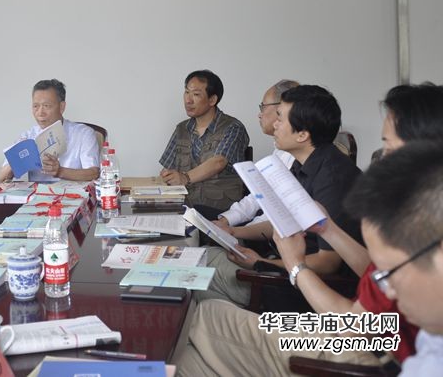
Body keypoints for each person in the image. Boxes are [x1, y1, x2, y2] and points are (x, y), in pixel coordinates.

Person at [177, 84, 443, 375]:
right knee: (197, 336)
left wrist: (292, 266)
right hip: (349, 325)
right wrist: (329, 230)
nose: (382, 161)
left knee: (200, 321)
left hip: (354, 341)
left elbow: (359, 325)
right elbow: (373, 272)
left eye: (389, 148)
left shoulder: (408, 219)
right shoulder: (408, 219)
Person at [194, 85, 361, 307]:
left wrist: (260, 263)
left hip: (301, 289)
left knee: (196, 274)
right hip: (282, 266)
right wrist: (233, 231)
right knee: (203, 258)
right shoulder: (304, 166)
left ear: (302, 134)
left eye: (280, 118)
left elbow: (328, 263)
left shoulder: (332, 179)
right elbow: (283, 222)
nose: (275, 124)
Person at [346, 142, 443, 374]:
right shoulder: (432, 334)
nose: (389, 293)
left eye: (389, 274)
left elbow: (351, 330)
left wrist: (296, 268)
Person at [210, 79, 300, 239]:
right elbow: (258, 195)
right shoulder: (280, 150)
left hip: (275, 236)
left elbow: (280, 217)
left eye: (263, 107)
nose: (259, 114)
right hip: (258, 226)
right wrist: (226, 220)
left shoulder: (301, 160)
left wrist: (237, 234)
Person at [159, 69, 249, 210]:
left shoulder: (233, 127)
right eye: (186, 92)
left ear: (212, 100)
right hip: (185, 208)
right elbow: (167, 168)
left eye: (196, 94)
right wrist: (167, 176)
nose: (188, 100)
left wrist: (185, 178)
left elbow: (219, 162)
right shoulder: (181, 129)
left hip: (220, 212)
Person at [0, 79, 99, 182]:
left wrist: (60, 171)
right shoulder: (28, 136)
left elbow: (94, 173)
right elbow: (1, 178)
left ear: (62, 107)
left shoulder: (83, 134)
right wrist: (17, 159)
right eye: (35, 106)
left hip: (72, 192)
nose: (40, 113)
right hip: (37, 192)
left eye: (46, 106)